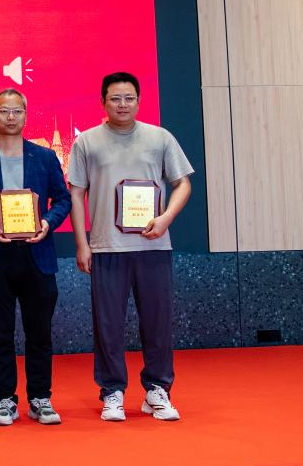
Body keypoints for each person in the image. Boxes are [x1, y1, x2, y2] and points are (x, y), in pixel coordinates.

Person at [69, 72, 193, 422]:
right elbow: (76, 193)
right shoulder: (87, 142)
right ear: (103, 102)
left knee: (158, 323)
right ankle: (112, 391)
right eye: (115, 98)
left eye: (129, 98)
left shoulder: (160, 138)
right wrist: (82, 243)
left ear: (139, 101)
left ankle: (157, 389)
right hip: (106, 248)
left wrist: (166, 218)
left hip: (154, 246)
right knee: (108, 325)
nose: (122, 104)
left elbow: (183, 184)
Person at [0, 88, 71, 426]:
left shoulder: (45, 157)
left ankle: (40, 398)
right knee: (0, 334)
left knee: (40, 332)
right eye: (4, 111)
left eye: (17, 111)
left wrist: (47, 223)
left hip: (38, 253)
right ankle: (4, 399)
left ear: (25, 115)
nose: (10, 117)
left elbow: (62, 199)